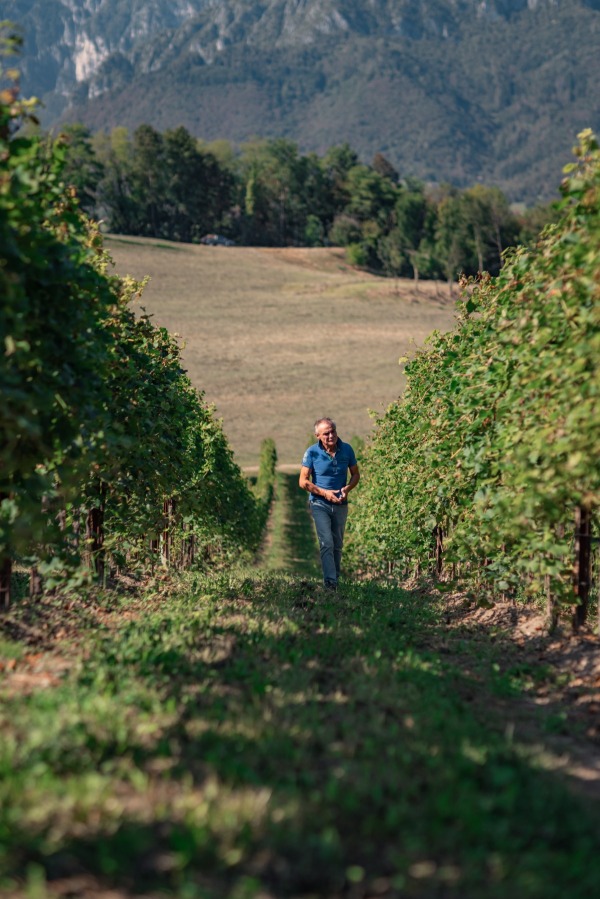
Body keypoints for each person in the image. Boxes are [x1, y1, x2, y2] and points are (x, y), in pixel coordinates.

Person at [299, 417, 360, 590]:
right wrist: (325, 493)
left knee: (337, 544)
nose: (331, 435)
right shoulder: (311, 453)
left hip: (341, 503)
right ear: (317, 435)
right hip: (319, 503)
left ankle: (335, 579)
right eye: (326, 433)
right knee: (326, 541)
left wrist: (347, 489)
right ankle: (330, 583)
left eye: (333, 431)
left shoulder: (347, 449)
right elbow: (303, 482)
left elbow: (356, 474)